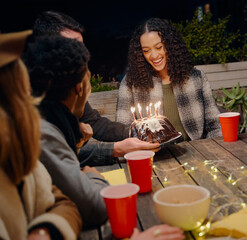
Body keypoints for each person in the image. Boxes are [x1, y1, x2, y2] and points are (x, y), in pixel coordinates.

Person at [23, 35, 185, 239]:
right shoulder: (44, 133)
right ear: (79, 87)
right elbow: (96, 206)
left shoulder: (50, 122)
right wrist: (92, 176)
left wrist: (115, 147)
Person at [32, 11, 159, 166]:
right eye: (72, 46)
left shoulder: (72, 83)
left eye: (81, 45)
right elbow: (55, 154)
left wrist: (137, 131)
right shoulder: (32, 98)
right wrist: (115, 149)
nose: (81, 54)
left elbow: (93, 123)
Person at [0, 31, 82, 240]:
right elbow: (87, 204)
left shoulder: (21, 155)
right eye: (25, 92)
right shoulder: (42, 133)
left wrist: (43, 232)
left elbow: (63, 204)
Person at [116, 18, 221, 140]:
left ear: (170, 45)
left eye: (159, 47)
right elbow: (123, 133)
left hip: (197, 152)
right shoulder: (131, 83)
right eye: (146, 50)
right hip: (154, 156)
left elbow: (216, 126)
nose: (154, 55)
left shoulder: (195, 78)